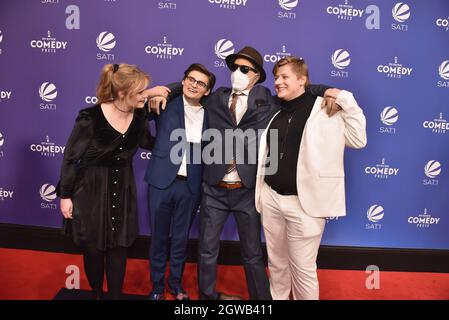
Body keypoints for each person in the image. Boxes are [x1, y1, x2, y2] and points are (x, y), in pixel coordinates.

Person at [149, 47, 338, 300]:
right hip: (214, 189)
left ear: (257, 75)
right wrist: (166, 89)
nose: (237, 73)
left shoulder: (270, 99)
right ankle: (208, 297)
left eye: (244, 69)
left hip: (247, 191)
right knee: (207, 250)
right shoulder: (216, 97)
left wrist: (326, 91)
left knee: (252, 253)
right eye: (234, 67)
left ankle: (262, 299)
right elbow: (191, 88)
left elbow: (300, 91)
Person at [254, 56, 367, 300]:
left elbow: (359, 140)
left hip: (306, 205)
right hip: (271, 198)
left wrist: (342, 96)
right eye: (276, 77)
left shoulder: (327, 108)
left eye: (284, 77)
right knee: (277, 265)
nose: (278, 82)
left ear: (302, 79)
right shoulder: (275, 110)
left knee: (303, 270)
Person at [57, 63, 161, 299]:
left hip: (123, 188)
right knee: (93, 250)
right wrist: (66, 196)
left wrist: (172, 131)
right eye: (140, 92)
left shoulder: (139, 114)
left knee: (119, 249)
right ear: (122, 93)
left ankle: (114, 296)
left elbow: (147, 142)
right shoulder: (90, 117)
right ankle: (96, 293)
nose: (144, 95)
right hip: (91, 190)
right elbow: (71, 159)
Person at [144, 63, 215, 300]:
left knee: (181, 240)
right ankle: (156, 287)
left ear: (207, 91)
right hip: (161, 181)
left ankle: (175, 284)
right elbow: (135, 107)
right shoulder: (164, 103)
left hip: (191, 185)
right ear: (183, 81)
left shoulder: (211, 113)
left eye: (201, 83)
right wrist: (161, 91)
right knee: (158, 238)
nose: (194, 85)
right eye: (190, 79)